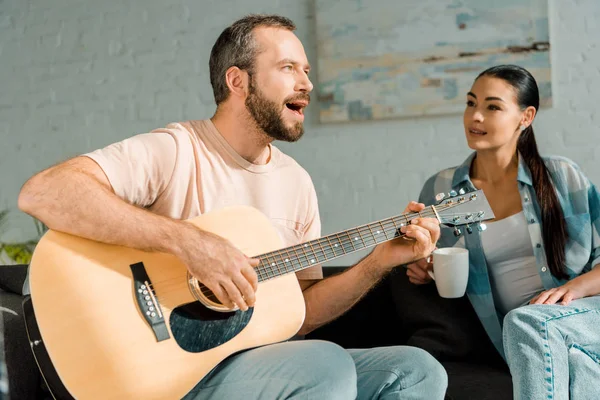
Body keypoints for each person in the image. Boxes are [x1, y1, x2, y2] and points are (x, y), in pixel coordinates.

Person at [18, 14, 448, 399]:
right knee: (322, 364)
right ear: (237, 81)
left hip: (254, 368)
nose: (307, 83)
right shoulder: (176, 149)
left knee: (413, 371)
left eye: (306, 70)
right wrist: (189, 242)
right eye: (288, 68)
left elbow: (299, 317)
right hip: (167, 373)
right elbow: (44, 192)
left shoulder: (295, 182)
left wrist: (378, 262)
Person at [406, 64, 600, 399]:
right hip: (523, 342)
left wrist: (573, 289)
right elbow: (440, 261)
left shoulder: (560, 176)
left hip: (584, 316)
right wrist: (424, 267)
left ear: (525, 117)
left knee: (526, 321)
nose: (476, 116)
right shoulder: (447, 190)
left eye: (492, 107)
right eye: (471, 103)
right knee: (578, 368)